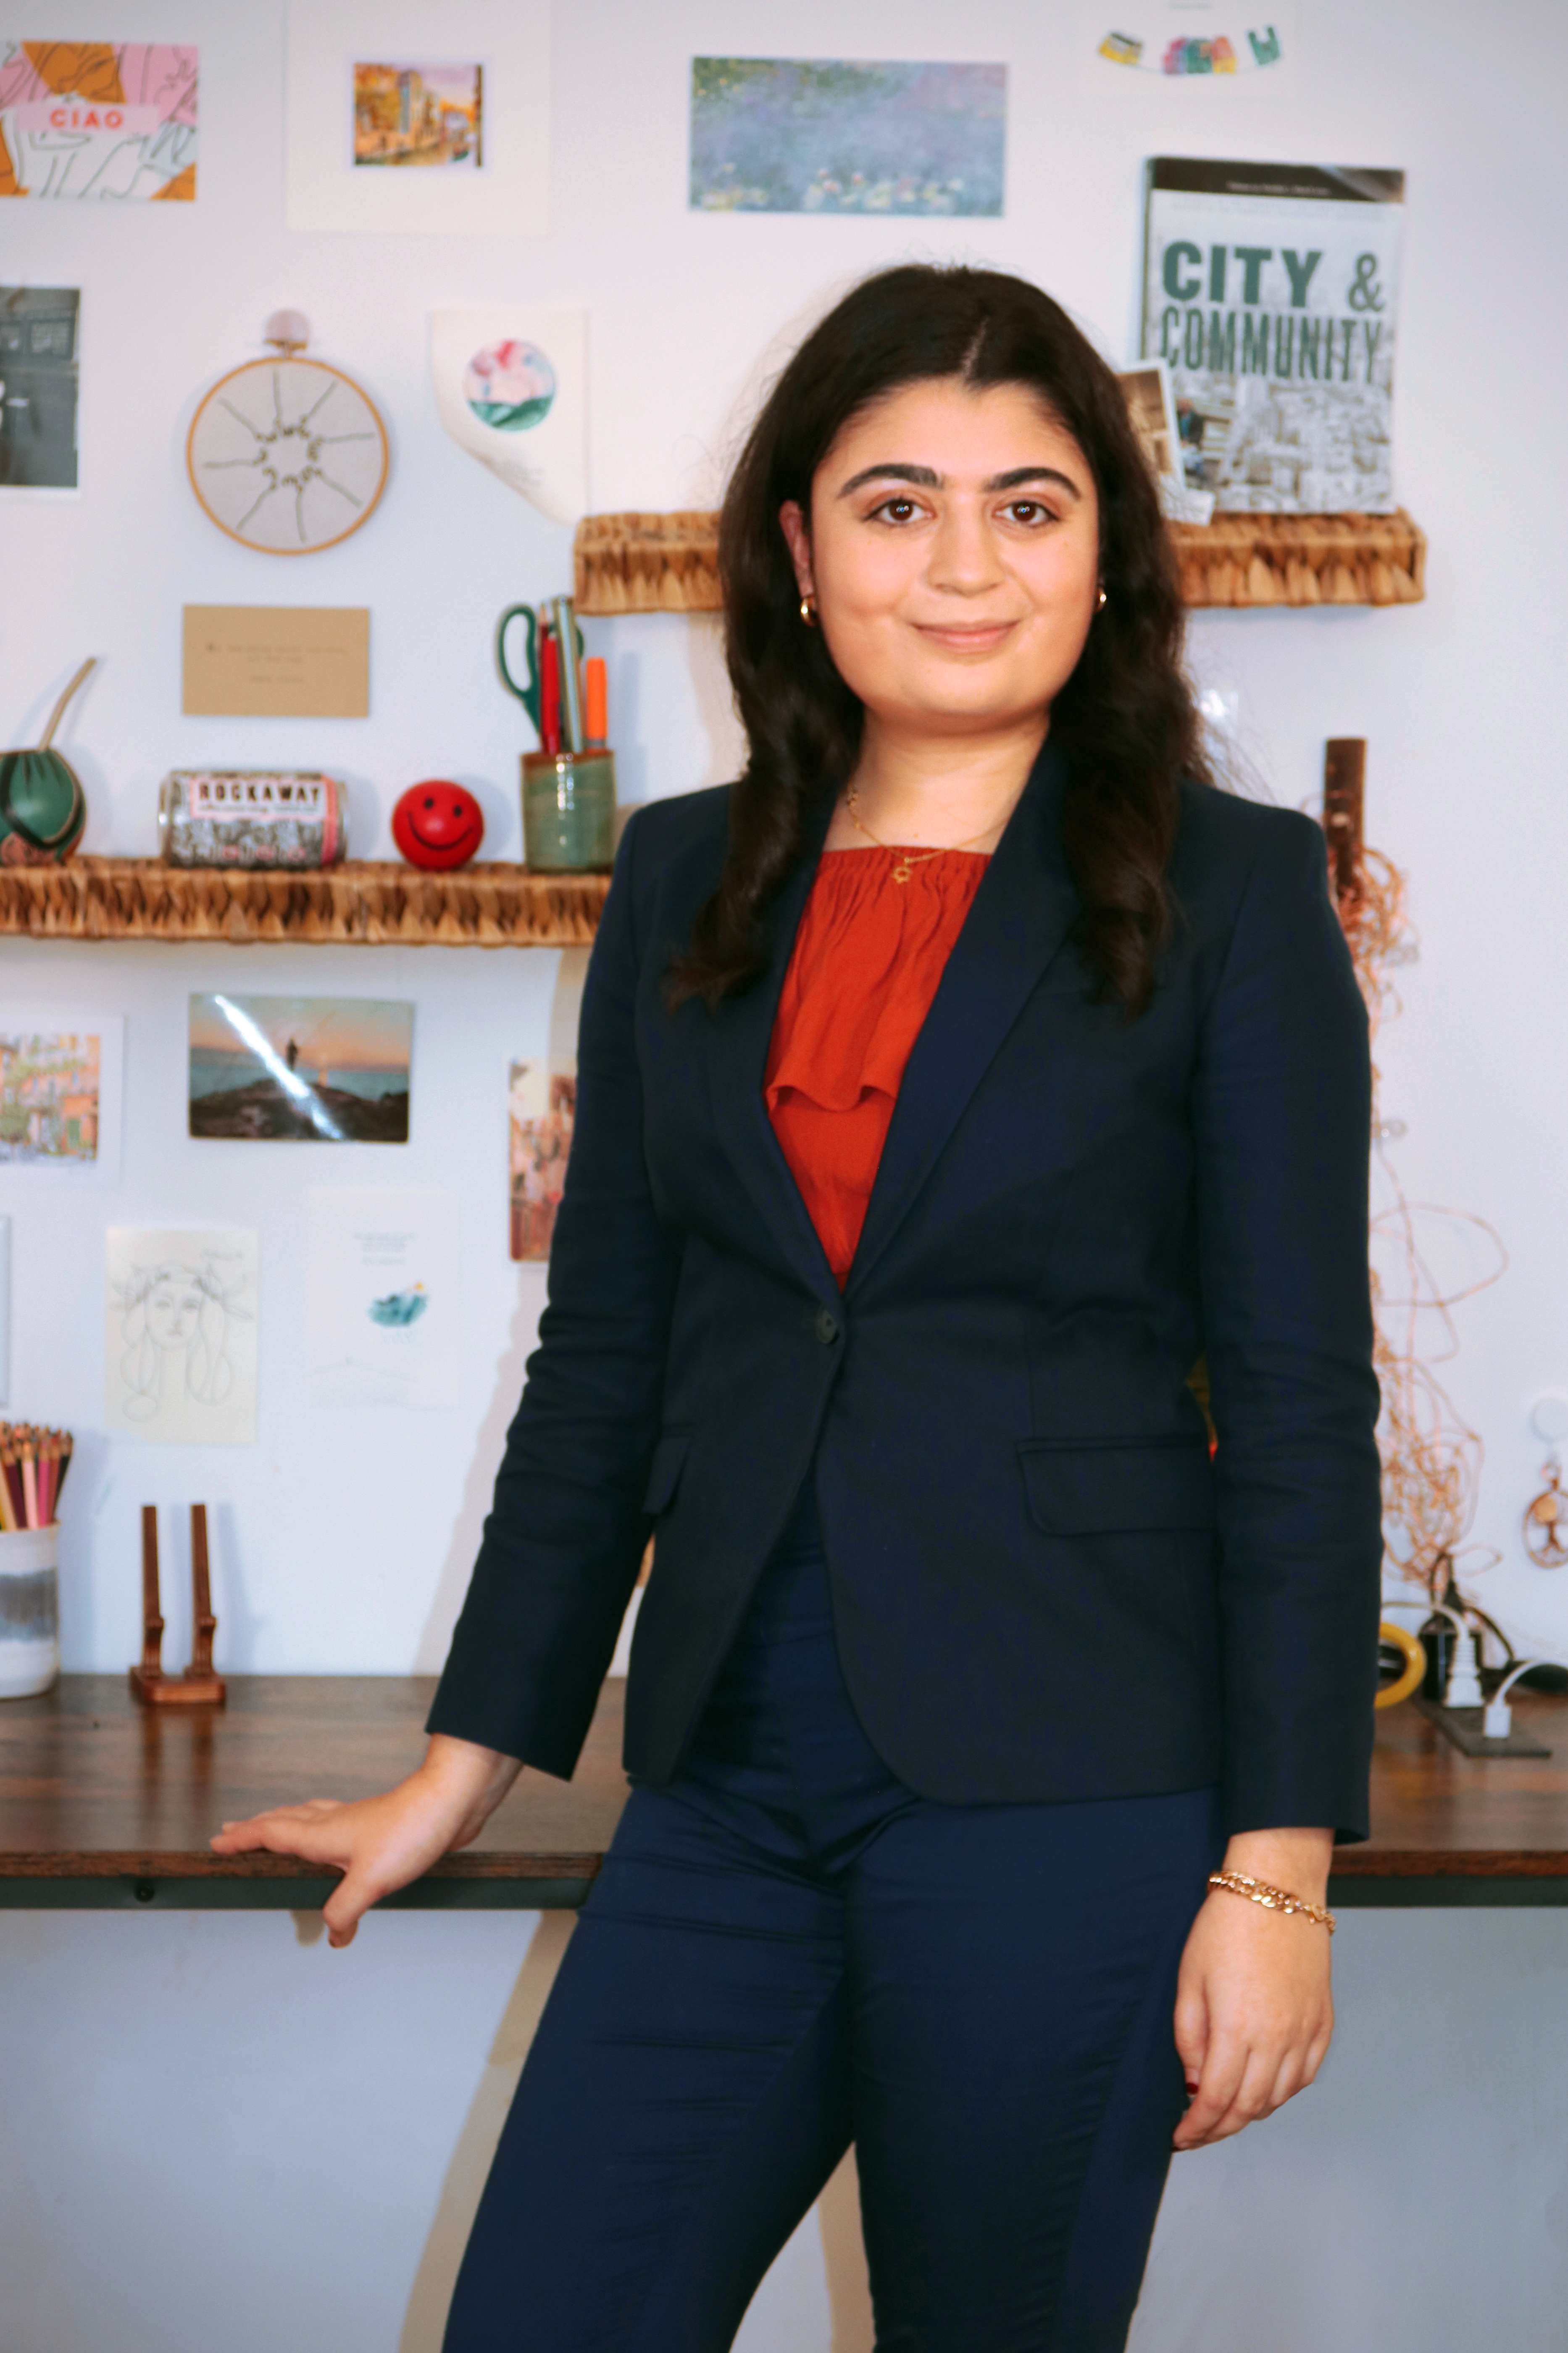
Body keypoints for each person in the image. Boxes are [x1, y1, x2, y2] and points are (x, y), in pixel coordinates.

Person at [214, 264, 1381, 2351]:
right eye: (897, 502)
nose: (963, 564)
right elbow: (605, 1365)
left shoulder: (1233, 891)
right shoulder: (678, 875)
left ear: (1107, 555)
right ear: (798, 544)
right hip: (732, 1774)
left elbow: (1300, 1398)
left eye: (1029, 506)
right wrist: (465, 1765)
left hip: (1073, 1788)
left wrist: (1279, 1873)